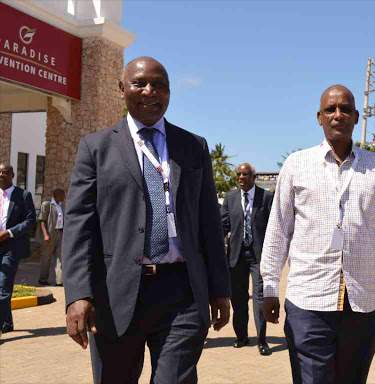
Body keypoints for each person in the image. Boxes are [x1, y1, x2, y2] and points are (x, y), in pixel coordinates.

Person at [62, 56, 231, 384]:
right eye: (140, 83)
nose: (150, 91)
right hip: (117, 295)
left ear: (169, 92)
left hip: (182, 291)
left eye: (160, 85)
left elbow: (209, 222)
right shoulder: (96, 148)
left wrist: (220, 289)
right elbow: (79, 225)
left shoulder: (193, 147)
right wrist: (78, 295)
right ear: (121, 89)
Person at [261, 85, 375, 384]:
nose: (338, 115)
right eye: (330, 109)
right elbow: (278, 232)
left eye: (345, 109)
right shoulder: (297, 165)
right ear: (319, 117)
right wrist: (270, 287)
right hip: (308, 301)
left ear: (356, 116)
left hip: (363, 302)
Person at [221, 163, 274, 356]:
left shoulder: (266, 197)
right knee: (239, 299)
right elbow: (223, 226)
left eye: (245, 174)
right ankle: (241, 336)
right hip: (236, 257)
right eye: (238, 175)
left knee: (260, 298)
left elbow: (272, 227)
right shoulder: (230, 197)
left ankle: (262, 340)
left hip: (258, 257)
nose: (241, 178)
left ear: (253, 176)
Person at [0, 163, 36, 338]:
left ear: (12, 175)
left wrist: (9, 233)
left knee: (3, 286)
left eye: (5, 172)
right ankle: (7, 323)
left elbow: (30, 221)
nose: (1, 175)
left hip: (11, 246)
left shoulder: (23, 195)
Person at [36, 188, 66, 287]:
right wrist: (45, 234)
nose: (64, 197)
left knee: (60, 258)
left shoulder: (61, 206)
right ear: (56, 195)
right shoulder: (46, 204)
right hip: (50, 234)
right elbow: (42, 220)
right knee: (46, 258)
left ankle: (59, 281)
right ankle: (43, 280)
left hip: (60, 234)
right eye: (63, 195)